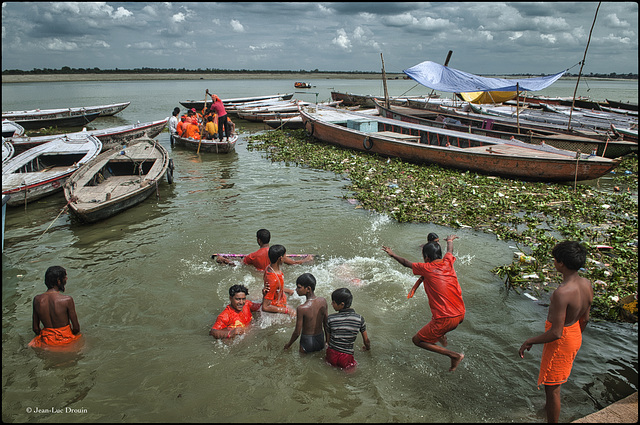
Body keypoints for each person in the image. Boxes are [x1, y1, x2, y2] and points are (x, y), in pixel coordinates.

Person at [518, 241, 593, 423]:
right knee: (555, 382)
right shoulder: (586, 283)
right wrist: (575, 336)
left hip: (562, 340)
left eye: (554, 259)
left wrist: (530, 340)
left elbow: (556, 333)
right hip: (575, 333)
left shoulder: (562, 293)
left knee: (552, 389)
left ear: (560, 263)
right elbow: (585, 318)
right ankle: (546, 410)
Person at [382, 235, 465, 372]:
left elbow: (405, 263)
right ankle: (441, 336)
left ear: (426, 258)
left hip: (446, 318)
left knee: (417, 340)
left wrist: (392, 254)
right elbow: (450, 251)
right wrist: (450, 240)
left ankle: (454, 355)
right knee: (437, 325)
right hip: (460, 313)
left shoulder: (426, 267)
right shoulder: (447, 262)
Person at [29, 266, 82, 350]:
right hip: (66, 341)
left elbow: (35, 328)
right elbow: (76, 328)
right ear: (58, 281)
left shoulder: (37, 300)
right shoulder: (67, 300)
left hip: (46, 340)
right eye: (64, 277)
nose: (66, 279)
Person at [216, 229, 313, 270]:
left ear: (258, 240)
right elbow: (293, 263)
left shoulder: (252, 256)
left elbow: (237, 265)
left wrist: (223, 260)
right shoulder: (276, 253)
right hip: (275, 275)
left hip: (260, 276)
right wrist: (306, 259)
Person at [325, 287, 370, 370]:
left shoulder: (330, 319)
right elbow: (366, 341)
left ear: (342, 304)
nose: (331, 304)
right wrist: (367, 349)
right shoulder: (359, 319)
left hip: (331, 354)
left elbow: (328, 341)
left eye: (333, 302)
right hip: (346, 357)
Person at [284, 273, 328, 353]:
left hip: (306, 342)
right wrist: (328, 341)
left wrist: (288, 345)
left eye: (299, 287)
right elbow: (326, 323)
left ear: (308, 289)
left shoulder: (302, 308)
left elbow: (297, 332)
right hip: (320, 339)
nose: (296, 290)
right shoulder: (323, 301)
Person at [262, 245, 295, 314]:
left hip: (280, 300)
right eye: (285, 256)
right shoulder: (273, 279)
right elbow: (265, 307)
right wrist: (287, 311)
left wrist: (288, 290)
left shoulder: (269, 268)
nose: (286, 257)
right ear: (280, 258)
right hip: (276, 307)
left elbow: (276, 288)